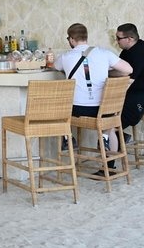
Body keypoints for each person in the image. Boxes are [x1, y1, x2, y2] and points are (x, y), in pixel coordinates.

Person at [54, 23, 132, 157]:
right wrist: (105, 72)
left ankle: (67, 137)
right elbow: (128, 70)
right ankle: (107, 151)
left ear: (71, 39)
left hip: (79, 110)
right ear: (86, 37)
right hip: (105, 110)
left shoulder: (66, 56)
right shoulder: (104, 53)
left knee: (57, 107)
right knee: (109, 127)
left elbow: (55, 67)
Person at [115, 23, 144, 136]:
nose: (116, 41)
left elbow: (128, 80)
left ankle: (114, 136)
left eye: (119, 38)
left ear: (129, 39)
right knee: (111, 107)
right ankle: (118, 137)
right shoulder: (127, 51)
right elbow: (120, 71)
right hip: (138, 93)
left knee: (118, 111)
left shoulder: (140, 52)